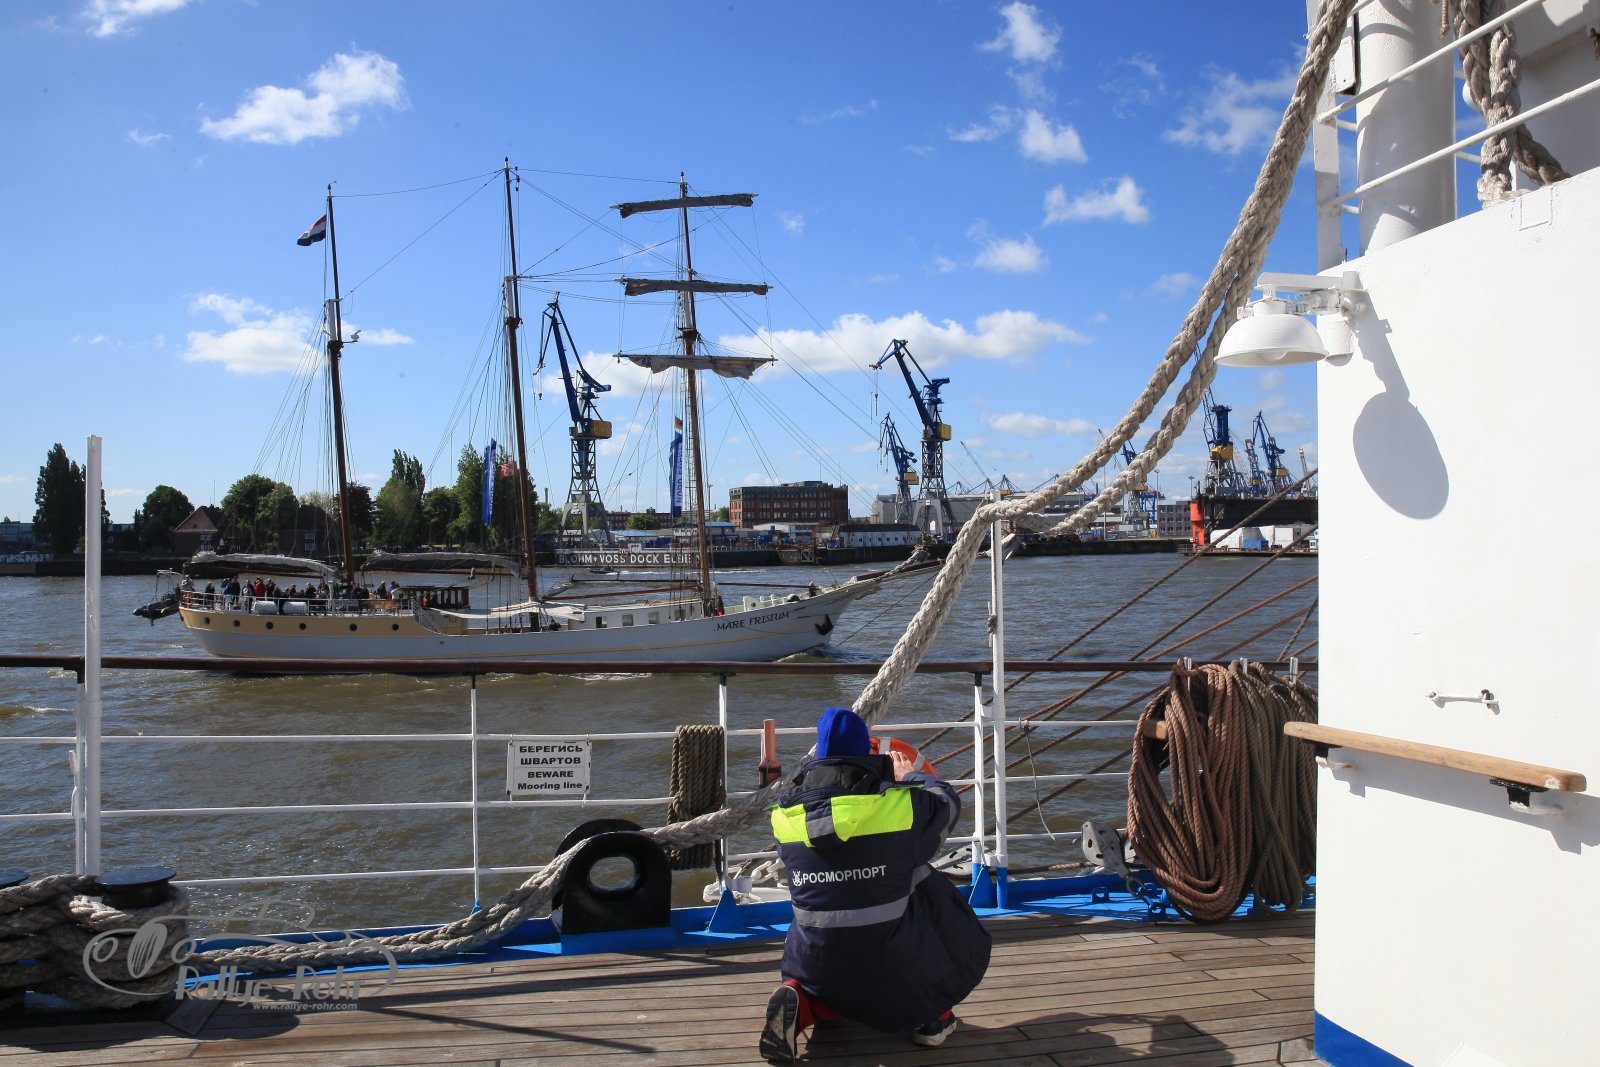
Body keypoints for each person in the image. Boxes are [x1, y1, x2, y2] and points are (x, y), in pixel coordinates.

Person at [759, 707, 990, 1063]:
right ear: (865, 755)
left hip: (815, 966)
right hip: (895, 970)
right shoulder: (898, 807)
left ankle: (798, 999)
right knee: (922, 878)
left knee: (825, 925)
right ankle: (935, 1017)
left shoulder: (783, 817)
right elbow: (948, 805)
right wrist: (910, 777)